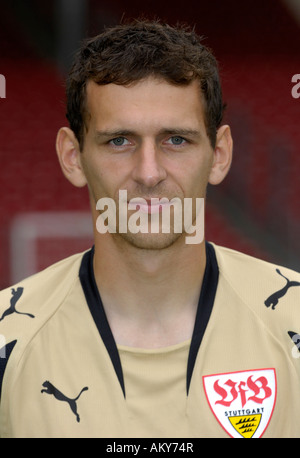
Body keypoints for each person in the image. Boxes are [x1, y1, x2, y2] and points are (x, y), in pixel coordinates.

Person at [0, 19, 299, 439]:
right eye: (119, 140)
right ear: (72, 157)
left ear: (219, 155)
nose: (149, 172)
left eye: (175, 140)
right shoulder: (7, 337)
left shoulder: (294, 322)